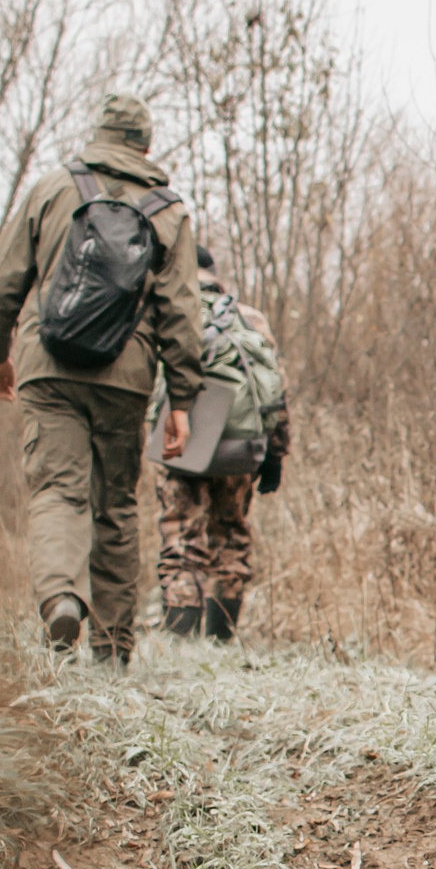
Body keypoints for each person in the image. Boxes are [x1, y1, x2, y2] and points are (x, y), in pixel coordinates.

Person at [0, 93, 205, 666]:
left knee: (58, 490)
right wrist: (183, 399)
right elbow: (182, 312)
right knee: (116, 508)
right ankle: (112, 649)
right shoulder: (168, 211)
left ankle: (61, 599)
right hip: (125, 377)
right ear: (145, 147)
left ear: (97, 135)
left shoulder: (53, 188)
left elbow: (1, 285)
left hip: (48, 365)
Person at [149, 246, 291, 640]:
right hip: (240, 445)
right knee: (232, 536)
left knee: (181, 539)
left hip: (182, 440)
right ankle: (221, 641)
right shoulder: (248, 318)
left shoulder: (171, 313)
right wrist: (275, 453)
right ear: (214, 274)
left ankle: (181, 646)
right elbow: (275, 387)